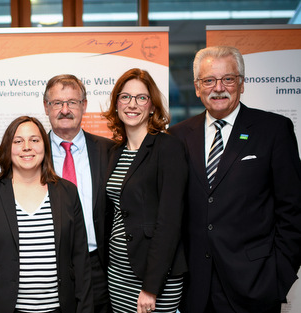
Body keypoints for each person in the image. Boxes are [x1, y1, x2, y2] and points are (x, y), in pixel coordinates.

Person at [169, 46, 301, 313]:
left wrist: (278, 276)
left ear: (241, 84)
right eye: (209, 80)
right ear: (197, 87)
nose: (219, 87)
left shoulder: (273, 130)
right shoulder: (177, 136)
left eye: (228, 79)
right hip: (195, 289)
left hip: (255, 286)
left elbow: (293, 210)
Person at [0, 116, 93, 313]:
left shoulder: (67, 192)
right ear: (8, 148)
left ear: (45, 146)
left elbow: (81, 261)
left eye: (34, 140)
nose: (27, 147)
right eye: (18, 141)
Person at [102, 68, 188, 313]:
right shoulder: (115, 152)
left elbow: (169, 222)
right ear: (117, 103)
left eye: (141, 98)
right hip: (118, 272)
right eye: (125, 97)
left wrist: (151, 286)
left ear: (152, 106)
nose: (132, 104)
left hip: (155, 275)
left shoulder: (168, 147)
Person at [43, 74, 114, 313]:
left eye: (72, 102)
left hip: (98, 266)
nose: (65, 110)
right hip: (47, 265)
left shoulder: (109, 150)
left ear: (84, 105)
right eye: (57, 103)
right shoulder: (32, 152)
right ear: (46, 107)